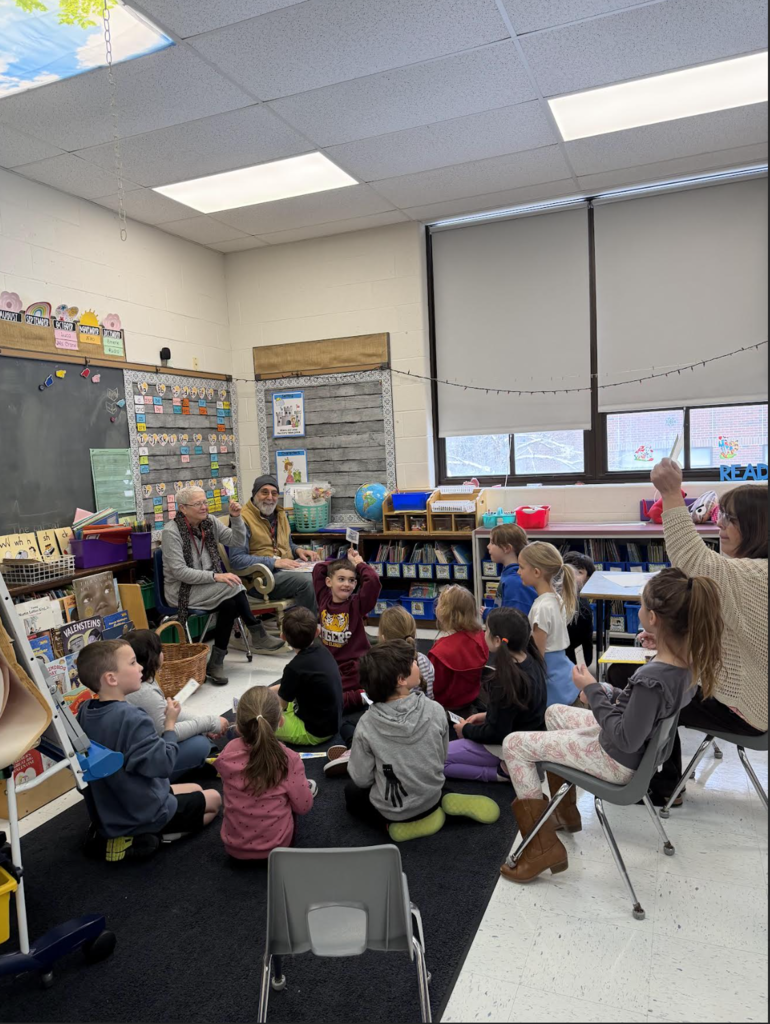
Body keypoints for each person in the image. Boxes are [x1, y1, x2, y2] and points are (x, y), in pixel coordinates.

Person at [499, 568, 723, 883]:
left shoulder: (652, 679)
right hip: (635, 750)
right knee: (554, 713)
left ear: (655, 618)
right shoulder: (686, 663)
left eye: (643, 606)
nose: (641, 611)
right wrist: (611, 690)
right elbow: (641, 710)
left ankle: (539, 847)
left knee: (514, 745)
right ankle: (565, 813)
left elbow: (624, 736)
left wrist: (592, 688)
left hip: (617, 758)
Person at [647, 459, 768, 805]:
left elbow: (691, 559)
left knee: (651, 688)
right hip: (746, 694)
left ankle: (662, 786)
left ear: (758, 527)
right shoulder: (748, 573)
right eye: (721, 515)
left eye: (730, 519)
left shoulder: (754, 576)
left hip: (748, 708)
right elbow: (730, 631)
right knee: (652, 674)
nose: (720, 524)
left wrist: (670, 493)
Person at [76, 640, 221, 861]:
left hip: (112, 803)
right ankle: (149, 837)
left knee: (194, 786)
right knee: (214, 800)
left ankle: (120, 833)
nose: (141, 668)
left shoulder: (85, 711)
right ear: (111, 678)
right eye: (133, 663)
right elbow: (163, 765)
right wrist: (169, 725)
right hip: (140, 810)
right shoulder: (133, 718)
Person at [345, 640, 500, 842]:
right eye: (413, 662)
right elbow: (441, 757)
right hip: (430, 795)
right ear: (401, 679)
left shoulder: (366, 724)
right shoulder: (435, 709)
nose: (418, 665)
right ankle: (440, 802)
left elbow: (361, 778)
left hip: (394, 808)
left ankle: (393, 824)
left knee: (352, 794)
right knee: (423, 774)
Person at [161, 486, 285, 685]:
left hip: (207, 585)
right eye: (198, 504)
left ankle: (216, 661)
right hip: (182, 590)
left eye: (205, 502)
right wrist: (216, 577)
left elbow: (235, 540)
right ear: (183, 508)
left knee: (230, 603)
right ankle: (256, 631)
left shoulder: (209, 522)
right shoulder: (171, 532)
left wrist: (236, 518)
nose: (204, 507)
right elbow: (180, 572)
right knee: (231, 585)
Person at [444, 608, 547, 783]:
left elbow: (496, 733)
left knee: (437, 760)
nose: (484, 633)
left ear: (498, 641)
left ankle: (503, 772)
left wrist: (466, 731)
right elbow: (518, 710)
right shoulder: (531, 661)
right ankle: (508, 767)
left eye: (487, 630)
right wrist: (486, 715)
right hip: (527, 740)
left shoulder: (505, 680)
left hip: (508, 747)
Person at [215, 686, 315, 862]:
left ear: (238, 725)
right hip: (277, 849)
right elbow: (304, 807)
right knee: (293, 799)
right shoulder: (288, 759)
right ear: (281, 722)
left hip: (234, 848)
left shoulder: (227, 752)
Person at [124, 629, 229, 780]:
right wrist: (208, 723)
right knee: (200, 745)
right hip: (146, 765)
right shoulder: (143, 692)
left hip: (149, 745)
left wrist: (206, 725)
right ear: (152, 657)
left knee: (199, 733)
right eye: (160, 649)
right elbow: (166, 732)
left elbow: (168, 712)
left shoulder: (146, 681)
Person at [228, 474, 320, 612]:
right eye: (264, 492)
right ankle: (308, 629)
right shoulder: (242, 519)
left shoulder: (280, 514)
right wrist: (274, 562)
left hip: (286, 572)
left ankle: (326, 624)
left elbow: (287, 544)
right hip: (260, 581)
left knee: (326, 572)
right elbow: (236, 559)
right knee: (307, 582)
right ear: (254, 494)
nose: (270, 497)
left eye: (274, 493)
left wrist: (298, 550)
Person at [312, 548, 381, 711]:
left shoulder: (357, 604)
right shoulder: (324, 597)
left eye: (351, 580)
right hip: (330, 665)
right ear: (329, 582)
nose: (346, 584)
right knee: (314, 686)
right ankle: (353, 697)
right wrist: (346, 562)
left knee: (324, 696)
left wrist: (359, 564)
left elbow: (373, 581)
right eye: (341, 579)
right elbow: (318, 569)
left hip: (354, 668)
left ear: (356, 584)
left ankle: (363, 697)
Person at [269, 606, 343, 747]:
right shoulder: (322, 650)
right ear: (317, 632)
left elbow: (281, 706)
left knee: (259, 722)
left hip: (314, 732)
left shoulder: (294, 668)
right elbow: (290, 687)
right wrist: (266, 691)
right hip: (332, 722)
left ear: (282, 637)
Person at [518, 542, 580, 707]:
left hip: (551, 679)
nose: (518, 572)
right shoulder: (555, 598)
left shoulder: (542, 608)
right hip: (563, 672)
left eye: (521, 567)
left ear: (536, 572)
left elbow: (538, 654)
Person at [428, 585, 488, 717]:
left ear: (443, 612)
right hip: (472, 702)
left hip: (445, 709)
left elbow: (434, 688)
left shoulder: (440, 652)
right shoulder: (480, 636)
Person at [378, 604, 435, 698]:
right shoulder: (423, 660)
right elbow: (430, 694)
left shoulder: (381, 666)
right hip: (425, 709)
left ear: (384, 638)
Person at [483, 523, 536, 620]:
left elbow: (515, 621)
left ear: (507, 548)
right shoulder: (510, 575)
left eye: (492, 542)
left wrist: (490, 615)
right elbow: (507, 608)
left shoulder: (515, 582)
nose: (488, 546)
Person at [563, 551, 596, 668]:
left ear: (587, 578)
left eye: (579, 572)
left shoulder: (582, 608)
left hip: (575, 659)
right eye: (569, 570)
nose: (572, 575)